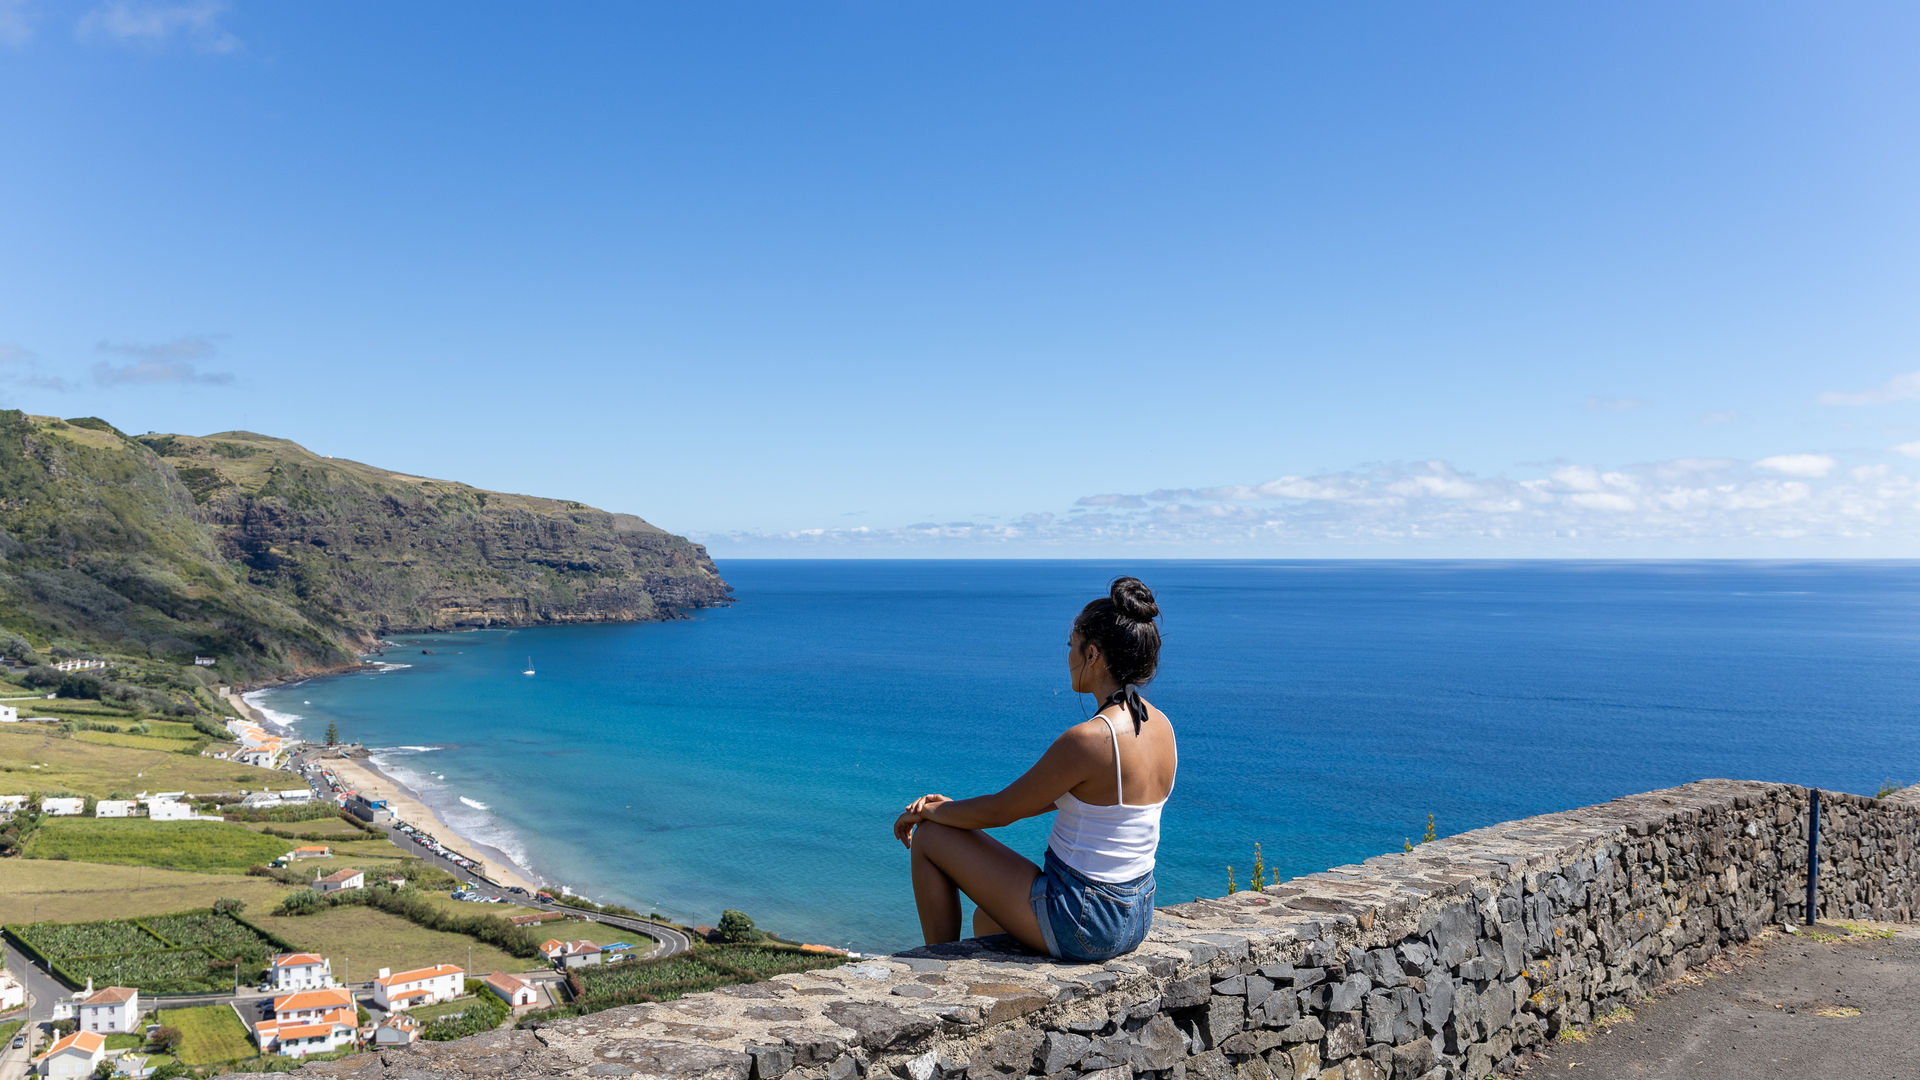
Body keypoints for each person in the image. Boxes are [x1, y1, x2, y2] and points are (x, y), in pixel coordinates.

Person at [893, 576, 1176, 962]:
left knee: (930, 838)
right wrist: (949, 809)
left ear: (1093, 654)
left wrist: (930, 813)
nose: (1069, 657)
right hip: (1135, 915)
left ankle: (932, 968)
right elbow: (1062, 799)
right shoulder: (1161, 726)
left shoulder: (1090, 739)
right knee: (987, 923)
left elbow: (1002, 811)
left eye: (1072, 646)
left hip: (1083, 919)